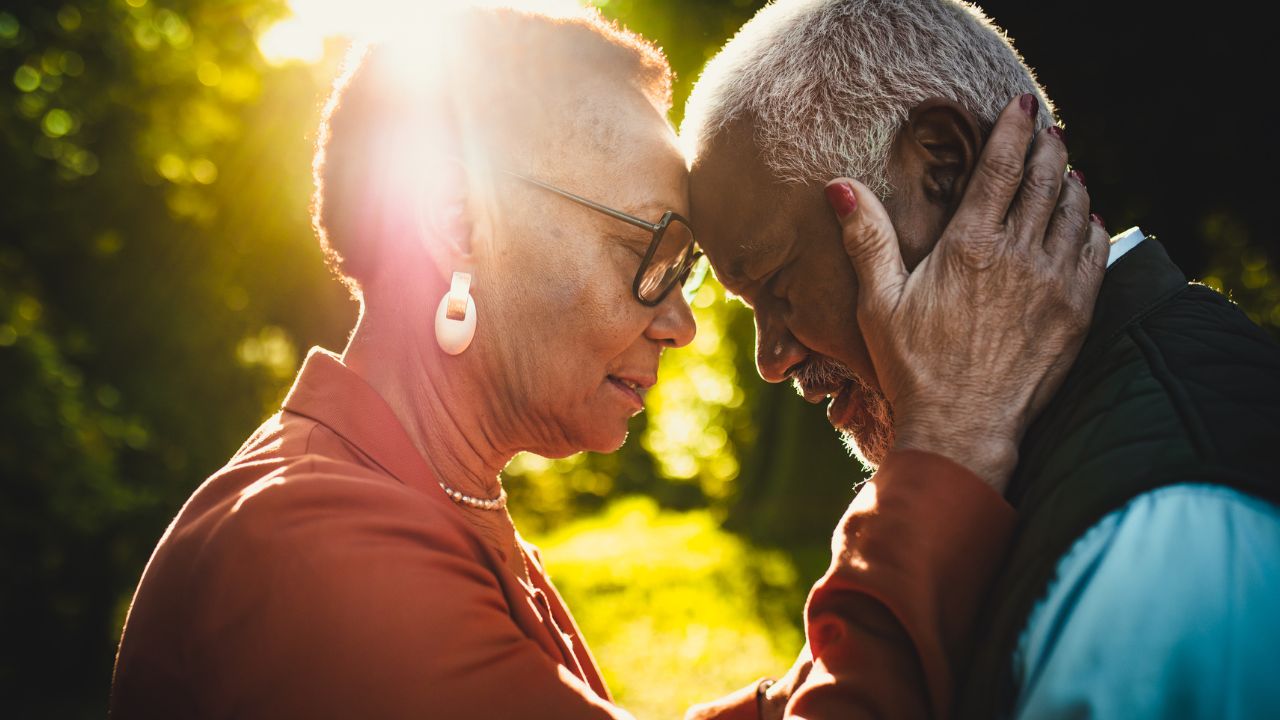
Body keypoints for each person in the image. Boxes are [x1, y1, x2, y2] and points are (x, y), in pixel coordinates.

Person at [110, 7, 1102, 719]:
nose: (682, 323)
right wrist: (948, 450)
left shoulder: (418, 501)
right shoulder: (308, 553)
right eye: (654, 256)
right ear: (458, 222)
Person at [682, 1, 1280, 717]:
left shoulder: (1170, 544)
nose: (771, 360)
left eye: (777, 283)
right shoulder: (1041, 466)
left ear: (944, 166)